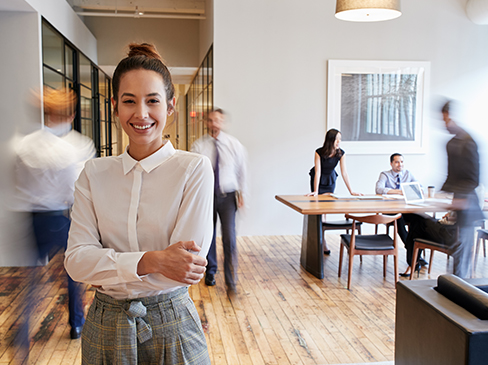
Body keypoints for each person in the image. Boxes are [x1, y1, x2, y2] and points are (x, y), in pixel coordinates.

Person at [64, 43, 213, 364]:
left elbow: (186, 267)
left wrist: (108, 266)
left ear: (170, 106)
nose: (141, 114)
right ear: (115, 106)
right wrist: (154, 260)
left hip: (171, 321)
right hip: (105, 324)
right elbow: (76, 262)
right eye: (129, 101)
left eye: (153, 101)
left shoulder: (194, 168)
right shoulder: (94, 172)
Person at [15, 87, 95, 340]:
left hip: (33, 218)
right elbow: (77, 189)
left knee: (31, 280)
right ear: (71, 115)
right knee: (73, 273)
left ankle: (23, 330)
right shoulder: (77, 147)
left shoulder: (24, 144)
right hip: (62, 217)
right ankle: (77, 324)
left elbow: (19, 183)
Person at [191, 109, 247, 296]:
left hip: (229, 197)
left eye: (217, 120)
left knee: (230, 238)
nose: (214, 123)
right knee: (209, 236)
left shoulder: (234, 145)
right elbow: (193, 174)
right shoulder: (199, 146)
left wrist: (243, 194)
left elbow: (242, 171)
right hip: (207, 197)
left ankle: (231, 281)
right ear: (206, 122)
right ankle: (211, 272)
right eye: (211, 120)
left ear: (223, 123)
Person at [438, 100, 483, 278]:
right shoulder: (450, 144)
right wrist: (442, 194)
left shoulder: (469, 142)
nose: (445, 125)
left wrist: (461, 199)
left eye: (447, 120)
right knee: (456, 249)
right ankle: (455, 285)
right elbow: (451, 176)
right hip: (457, 202)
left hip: (468, 204)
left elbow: (474, 178)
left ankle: (460, 288)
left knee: (462, 250)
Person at [307, 129, 361, 254]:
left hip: (330, 180)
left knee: (325, 210)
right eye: (336, 139)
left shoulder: (341, 153)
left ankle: (322, 239)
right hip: (318, 180)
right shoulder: (319, 152)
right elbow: (318, 172)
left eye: (340, 139)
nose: (338, 142)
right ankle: (322, 241)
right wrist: (315, 191)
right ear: (330, 140)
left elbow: (344, 172)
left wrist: (351, 191)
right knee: (319, 212)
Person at [375, 153, 422, 264]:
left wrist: (413, 190)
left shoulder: (408, 174)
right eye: (397, 162)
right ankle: (412, 249)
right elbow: (379, 189)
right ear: (391, 164)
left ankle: (416, 250)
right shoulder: (385, 175)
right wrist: (399, 191)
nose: (400, 164)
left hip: (405, 208)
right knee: (398, 218)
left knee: (419, 218)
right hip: (390, 210)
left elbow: (419, 187)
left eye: (401, 162)